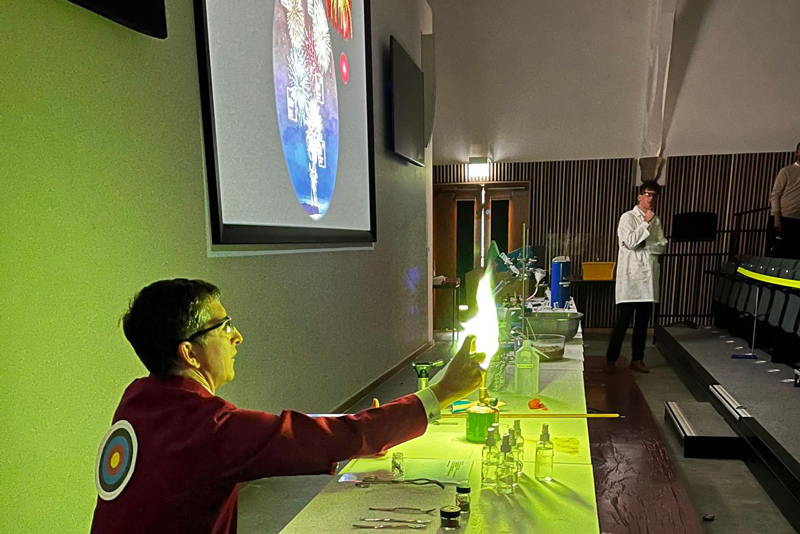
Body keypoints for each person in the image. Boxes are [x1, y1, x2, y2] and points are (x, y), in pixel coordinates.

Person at [90, 279, 485, 534]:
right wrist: (442, 391)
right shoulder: (207, 429)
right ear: (190, 354)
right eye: (223, 326)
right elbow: (317, 439)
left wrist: (357, 428)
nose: (237, 337)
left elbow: (276, 433)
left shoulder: (138, 399)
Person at [605, 181, 668, 374]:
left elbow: (662, 244)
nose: (650, 199)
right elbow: (630, 242)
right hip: (631, 278)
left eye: (653, 195)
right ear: (639, 196)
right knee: (623, 322)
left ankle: (637, 358)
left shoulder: (656, 220)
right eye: (647, 194)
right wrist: (645, 223)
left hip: (648, 278)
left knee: (642, 323)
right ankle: (611, 359)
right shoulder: (628, 217)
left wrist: (647, 246)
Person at [768, 142, 800, 259]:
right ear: (796, 152)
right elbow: (775, 195)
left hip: (798, 218)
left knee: (794, 256)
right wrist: (777, 217)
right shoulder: (786, 171)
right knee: (778, 254)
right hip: (783, 217)